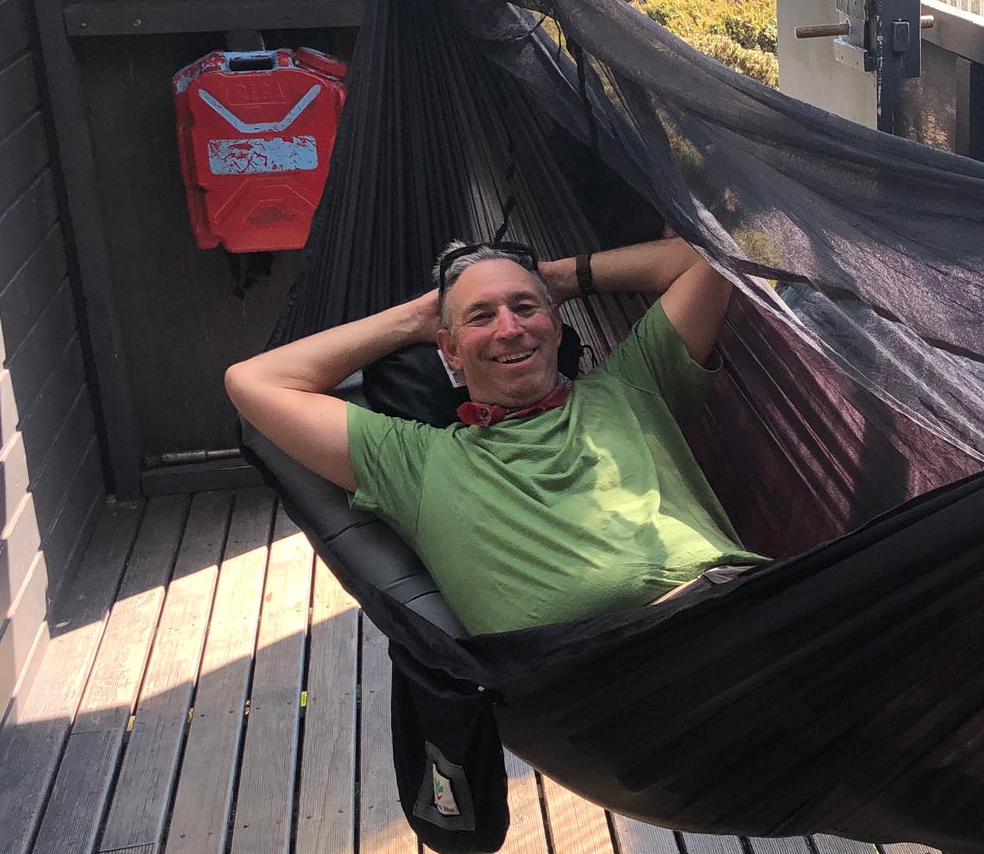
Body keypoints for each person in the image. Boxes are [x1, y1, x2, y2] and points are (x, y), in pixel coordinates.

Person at [225, 236, 766, 635]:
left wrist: (552, 279)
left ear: (556, 324)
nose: (509, 328)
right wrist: (419, 316)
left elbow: (712, 256)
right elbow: (252, 381)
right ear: (450, 350)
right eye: (480, 317)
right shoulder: (416, 462)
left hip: (747, 614)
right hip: (598, 679)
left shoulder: (633, 385)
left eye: (524, 309)